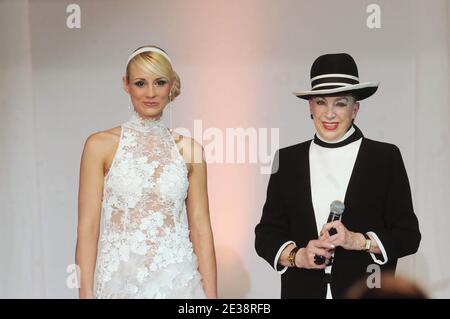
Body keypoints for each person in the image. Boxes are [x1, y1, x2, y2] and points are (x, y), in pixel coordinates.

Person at [254, 53, 421, 299]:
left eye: (340, 103)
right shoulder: (286, 160)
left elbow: (408, 236)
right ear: (310, 107)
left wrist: (358, 241)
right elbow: (266, 234)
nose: (329, 114)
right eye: (321, 102)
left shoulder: (384, 157)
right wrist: (298, 256)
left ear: (355, 109)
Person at [76, 45, 217, 299]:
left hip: (180, 283)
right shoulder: (99, 146)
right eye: (140, 83)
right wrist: (84, 293)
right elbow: (87, 227)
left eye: (159, 82)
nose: (150, 93)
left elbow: (200, 227)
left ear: (171, 85)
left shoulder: (191, 150)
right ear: (126, 85)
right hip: (120, 284)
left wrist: (212, 297)